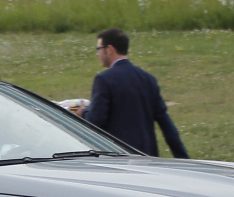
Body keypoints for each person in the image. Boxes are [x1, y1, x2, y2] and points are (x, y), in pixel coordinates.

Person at [77, 28, 190, 159]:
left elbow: (96, 120)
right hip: (147, 157)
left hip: (118, 157)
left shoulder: (104, 80)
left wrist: (83, 113)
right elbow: (166, 125)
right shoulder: (148, 79)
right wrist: (183, 158)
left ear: (109, 49)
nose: (98, 54)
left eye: (99, 49)